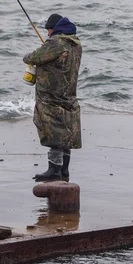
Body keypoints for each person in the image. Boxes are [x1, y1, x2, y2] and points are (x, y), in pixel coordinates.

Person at [23, 13, 82, 181]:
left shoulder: (56, 43)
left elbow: (31, 57)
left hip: (51, 95)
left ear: (55, 29)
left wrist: (46, 48)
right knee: (65, 132)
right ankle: (64, 171)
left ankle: (54, 170)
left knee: (54, 131)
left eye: (49, 30)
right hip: (67, 93)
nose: (48, 34)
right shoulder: (75, 44)